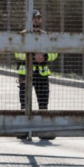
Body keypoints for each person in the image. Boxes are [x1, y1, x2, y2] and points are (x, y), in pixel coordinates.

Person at [14, 9, 57, 141]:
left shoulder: (46, 36)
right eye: (34, 18)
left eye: (38, 18)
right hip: (25, 74)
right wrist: (32, 56)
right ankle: (23, 130)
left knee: (43, 103)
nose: (37, 21)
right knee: (24, 103)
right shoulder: (22, 35)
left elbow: (54, 52)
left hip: (42, 74)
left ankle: (42, 130)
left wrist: (44, 56)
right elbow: (17, 53)